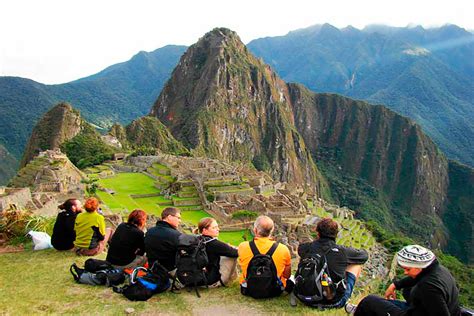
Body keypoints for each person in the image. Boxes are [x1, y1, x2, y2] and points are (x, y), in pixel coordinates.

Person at [350, 245, 461, 316]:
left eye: (408, 269)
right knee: (406, 290)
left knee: (369, 302)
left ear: (419, 267)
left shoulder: (429, 287)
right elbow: (415, 278)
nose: (405, 272)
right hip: (421, 310)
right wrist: (395, 285)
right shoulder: (439, 270)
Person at [297, 217, 368, 308]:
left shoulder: (305, 248)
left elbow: (303, 249)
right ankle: (345, 295)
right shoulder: (342, 251)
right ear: (336, 234)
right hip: (333, 302)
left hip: (305, 297)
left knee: (305, 259)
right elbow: (364, 256)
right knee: (356, 265)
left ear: (317, 232)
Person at [238, 215, 292, 298]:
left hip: (248, 288)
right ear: (272, 230)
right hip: (275, 290)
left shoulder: (243, 246)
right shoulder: (283, 249)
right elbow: (287, 276)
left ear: (255, 230)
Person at [194, 217, 238, 286]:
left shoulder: (197, 239)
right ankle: (229, 281)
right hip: (210, 280)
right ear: (205, 230)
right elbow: (235, 253)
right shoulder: (213, 243)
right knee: (230, 256)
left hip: (197, 277)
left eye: (217, 227)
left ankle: (233, 280)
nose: (218, 229)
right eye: (214, 227)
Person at [144, 207, 182, 271]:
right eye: (178, 218)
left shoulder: (150, 231)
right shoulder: (175, 235)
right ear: (169, 217)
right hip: (168, 271)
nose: (180, 220)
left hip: (152, 268)